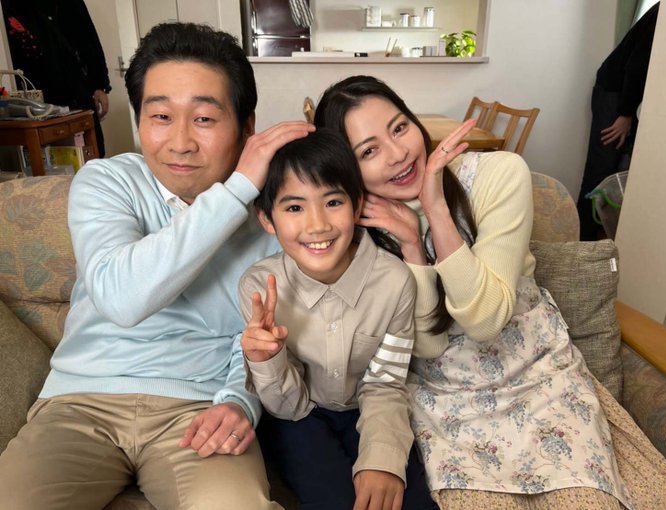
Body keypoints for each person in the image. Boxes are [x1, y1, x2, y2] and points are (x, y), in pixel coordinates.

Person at [314, 75, 666, 509]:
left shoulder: (498, 174)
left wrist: (436, 211)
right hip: (446, 398)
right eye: (369, 151)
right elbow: (428, 346)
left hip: (538, 379)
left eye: (399, 128)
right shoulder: (360, 229)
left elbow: (486, 319)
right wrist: (412, 246)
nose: (398, 154)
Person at [0, 22, 316, 509]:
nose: (180, 142)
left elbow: (258, 334)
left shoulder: (277, 212)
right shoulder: (106, 182)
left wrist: (240, 401)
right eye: (162, 116)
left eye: (205, 119)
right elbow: (122, 298)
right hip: (80, 402)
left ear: (246, 126)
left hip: (201, 407)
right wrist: (234, 192)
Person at [239, 129, 438, 510]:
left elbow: (385, 383)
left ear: (357, 204)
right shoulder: (258, 286)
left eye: (332, 202)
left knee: (409, 499)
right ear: (267, 218)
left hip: (370, 407)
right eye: (294, 208)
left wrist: (382, 459)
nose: (317, 225)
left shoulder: (394, 281)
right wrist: (266, 360)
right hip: (298, 415)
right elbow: (287, 407)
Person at [577, 2, 660, 240]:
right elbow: (637, 66)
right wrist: (625, 114)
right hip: (614, 92)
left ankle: (598, 234)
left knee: (617, 165)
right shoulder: (665, 12)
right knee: (601, 167)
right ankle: (582, 239)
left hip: (621, 93)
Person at [3, 0, 112, 156]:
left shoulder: (69, 4)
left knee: (91, 153)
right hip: (35, 103)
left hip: (76, 94)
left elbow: (88, 40)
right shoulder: (9, 7)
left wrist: (100, 85)